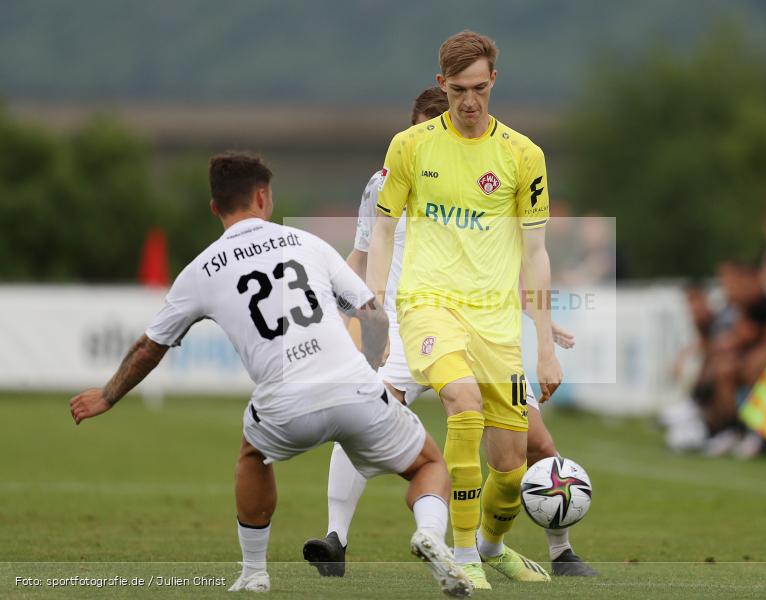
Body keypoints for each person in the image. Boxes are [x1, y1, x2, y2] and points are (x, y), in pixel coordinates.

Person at [68, 152, 473, 597]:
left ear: (214, 207)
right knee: (429, 464)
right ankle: (431, 534)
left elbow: (150, 347)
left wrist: (107, 396)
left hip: (285, 403)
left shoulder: (201, 270)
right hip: (354, 387)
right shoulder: (306, 242)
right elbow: (373, 316)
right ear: (263, 196)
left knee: (253, 456)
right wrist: (370, 369)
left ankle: (255, 573)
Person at [304, 86, 596, 580]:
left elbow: (502, 257)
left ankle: (556, 549)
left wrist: (535, 315)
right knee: (362, 424)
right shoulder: (386, 181)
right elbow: (359, 252)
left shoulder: (492, 167)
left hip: (480, 325)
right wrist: (343, 313)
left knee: (535, 442)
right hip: (407, 324)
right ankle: (337, 537)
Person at [365, 31, 563, 589]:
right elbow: (382, 228)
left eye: (479, 88)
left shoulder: (524, 156)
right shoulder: (410, 145)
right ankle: (462, 555)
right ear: (440, 85)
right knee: (462, 403)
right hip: (428, 306)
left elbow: (537, 254)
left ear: (494, 81)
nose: (469, 101)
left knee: (510, 463)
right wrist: (374, 298)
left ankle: (492, 546)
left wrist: (544, 346)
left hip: (497, 324)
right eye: (457, 90)